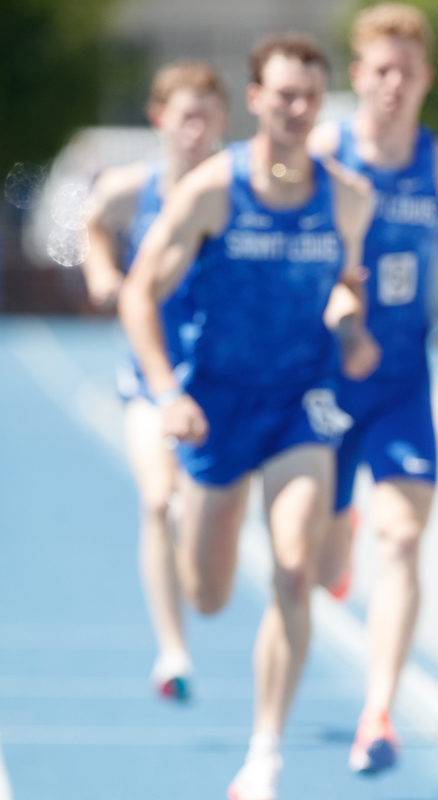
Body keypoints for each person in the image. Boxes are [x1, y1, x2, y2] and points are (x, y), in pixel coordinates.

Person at [118, 33, 378, 800]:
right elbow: (139, 293)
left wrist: (352, 326)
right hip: (216, 407)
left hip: (300, 402)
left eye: (309, 95)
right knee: (208, 592)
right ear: (257, 98)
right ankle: (192, 531)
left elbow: (347, 285)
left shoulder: (347, 198)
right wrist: (168, 393)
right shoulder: (211, 190)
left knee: (293, 570)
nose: (297, 109)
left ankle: (263, 755)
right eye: (283, 94)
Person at [307, 2, 438, 774]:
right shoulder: (326, 151)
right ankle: (333, 523)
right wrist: (338, 312)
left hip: (401, 381)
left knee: (404, 540)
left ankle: (378, 713)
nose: (392, 84)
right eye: (380, 71)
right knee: (314, 565)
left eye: (406, 72)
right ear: (358, 76)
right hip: (321, 379)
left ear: (426, 81)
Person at [82, 60, 229, 700]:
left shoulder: (238, 190)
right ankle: (172, 652)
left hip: (225, 381)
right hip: (151, 375)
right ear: (159, 119)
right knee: (155, 500)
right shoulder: (129, 188)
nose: (195, 130)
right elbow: (89, 224)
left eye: (206, 117)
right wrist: (102, 275)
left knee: (205, 542)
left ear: (223, 121)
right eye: (183, 116)